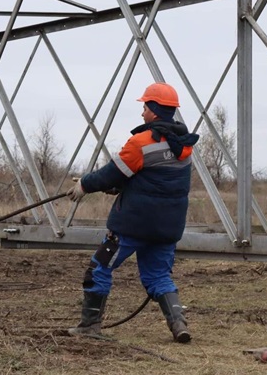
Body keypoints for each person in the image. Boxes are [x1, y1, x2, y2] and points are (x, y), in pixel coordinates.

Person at [66, 82, 199, 343]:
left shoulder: (141, 143)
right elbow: (154, 180)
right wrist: (122, 185)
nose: (142, 113)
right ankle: (178, 324)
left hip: (133, 226)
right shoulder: (185, 148)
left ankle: (89, 327)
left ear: (154, 109)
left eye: (145, 107)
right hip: (167, 228)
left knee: (99, 268)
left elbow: (111, 173)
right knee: (158, 275)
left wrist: (83, 185)